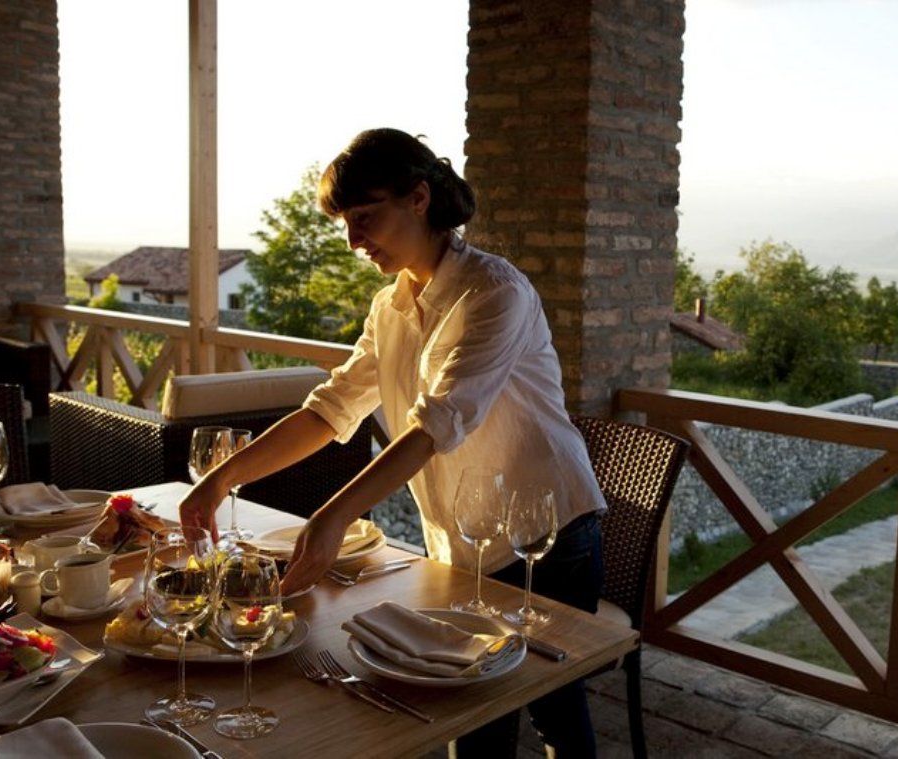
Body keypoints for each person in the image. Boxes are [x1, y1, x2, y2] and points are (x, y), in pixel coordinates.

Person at [179, 127, 606, 757]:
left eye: (364, 217)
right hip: (463, 539)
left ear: (419, 198)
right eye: (345, 223)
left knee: (554, 713)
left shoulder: (496, 292)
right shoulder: (391, 305)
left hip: (546, 532)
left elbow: (437, 424)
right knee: (472, 715)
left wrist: (331, 517)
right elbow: (330, 409)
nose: (353, 240)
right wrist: (219, 481)